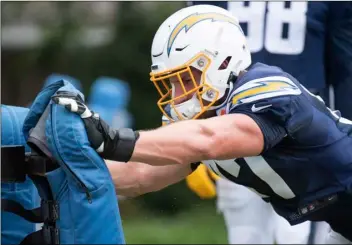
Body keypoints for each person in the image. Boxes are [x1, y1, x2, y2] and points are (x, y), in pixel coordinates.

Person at [52, 4, 352, 244]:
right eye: (171, 83)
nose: (179, 94)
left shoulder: (265, 87)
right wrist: (56, 174)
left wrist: (108, 138)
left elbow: (210, 138)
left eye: (186, 78)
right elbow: (140, 173)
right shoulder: (208, 117)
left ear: (223, 62)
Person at [186, 1, 352, 243]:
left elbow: (344, 70)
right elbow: (185, 68)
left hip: (300, 144)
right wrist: (192, 135)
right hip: (230, 132)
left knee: (294, 238)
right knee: (245, 237)